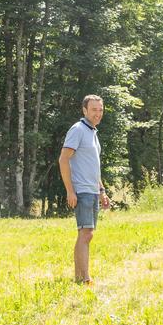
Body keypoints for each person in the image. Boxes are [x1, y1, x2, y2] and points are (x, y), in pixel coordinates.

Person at [59, 95, 110, 284]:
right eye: (94, 109)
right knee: (85, 233)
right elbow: (63, 159)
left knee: (88, 234)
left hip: (93, 191)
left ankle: (82, 277)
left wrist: (102, 191)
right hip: (82, 191)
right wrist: (70, 191)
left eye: (100, 110)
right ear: (85, 110)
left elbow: (93, 167)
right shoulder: (78, 129)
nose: (98, 113)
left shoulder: (92, 133)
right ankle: (83, 279)